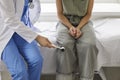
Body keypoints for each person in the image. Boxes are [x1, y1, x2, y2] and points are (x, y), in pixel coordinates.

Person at [0, 0, 55, 80]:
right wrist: (37, 37)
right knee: (20, 72)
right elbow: (10, 19)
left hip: (21, 29)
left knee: (37, 61)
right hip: (4, 31)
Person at [56, 0, 98, 80]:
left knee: (89, 44)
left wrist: (78, 28)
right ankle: (65, 78)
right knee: (65, 44)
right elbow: (60, 14)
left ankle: (86, 78)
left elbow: (88, 14)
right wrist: (70, 27)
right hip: (65, 22)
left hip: (84, 22)